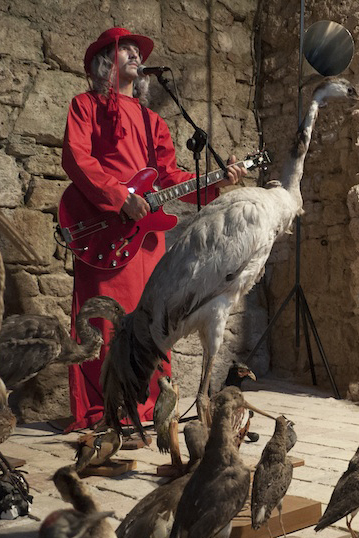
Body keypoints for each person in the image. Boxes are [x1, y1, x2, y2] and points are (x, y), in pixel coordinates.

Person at [61, 27, 247, 432]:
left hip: (146, 237)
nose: (133, 53)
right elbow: (77, 160)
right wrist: (118, 196)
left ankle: (148, 406)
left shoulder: (152, 121)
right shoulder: (85, 105)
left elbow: (168, 177)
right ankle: (103, 409)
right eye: (124, 48)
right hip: (104, 228)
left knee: (150, 317)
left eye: (136, 49)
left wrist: (218, 182)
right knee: (105, 318)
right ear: (105, 62)